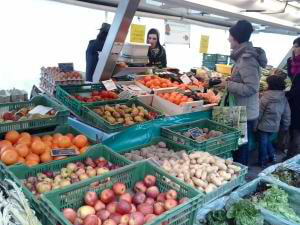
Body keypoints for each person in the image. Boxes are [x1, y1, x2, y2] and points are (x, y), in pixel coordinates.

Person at [218, 20, 268, 165]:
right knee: (239, 145)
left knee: (240, 148)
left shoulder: (247, 59)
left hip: (243, 112)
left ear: (237, 38)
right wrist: (232, 80)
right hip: (242, 109)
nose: (228, 39)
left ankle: (240, 179)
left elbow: (251, 88)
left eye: (230, 36)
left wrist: (228, 84)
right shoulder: (243, 56)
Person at [255, 75, 290, 168]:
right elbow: (287, 114)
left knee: (262, 143)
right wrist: (285, 126)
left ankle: (262, 161)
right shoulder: (284, 98)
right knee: (267, 141)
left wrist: (255, 126)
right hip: (275, 126)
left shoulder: (265, 97)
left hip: (263, 126)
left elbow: (259, 113)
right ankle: (272, 156)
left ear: (270, 85)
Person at [285, 37, 300, 159]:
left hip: (297, 99)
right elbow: (290, 79)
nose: (294, 49)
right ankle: (290, 151)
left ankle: (293, 155)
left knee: (296, 128)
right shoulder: (291, 61)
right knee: (291, 126)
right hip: (292, 98)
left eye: (296, 46)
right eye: (293, 46)